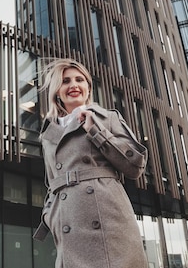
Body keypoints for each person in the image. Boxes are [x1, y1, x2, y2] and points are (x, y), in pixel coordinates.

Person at [33, 58, 148, 268]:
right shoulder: (48, 133)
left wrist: (95, 131)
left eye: (80, 80)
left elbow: (135, 166)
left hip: (108, 217)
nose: (74, 85)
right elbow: (51, 183)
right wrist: (50, 214)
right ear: (57, 91)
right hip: (69, 220)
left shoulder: (108, 118)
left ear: (88, 88)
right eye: (65, 81)